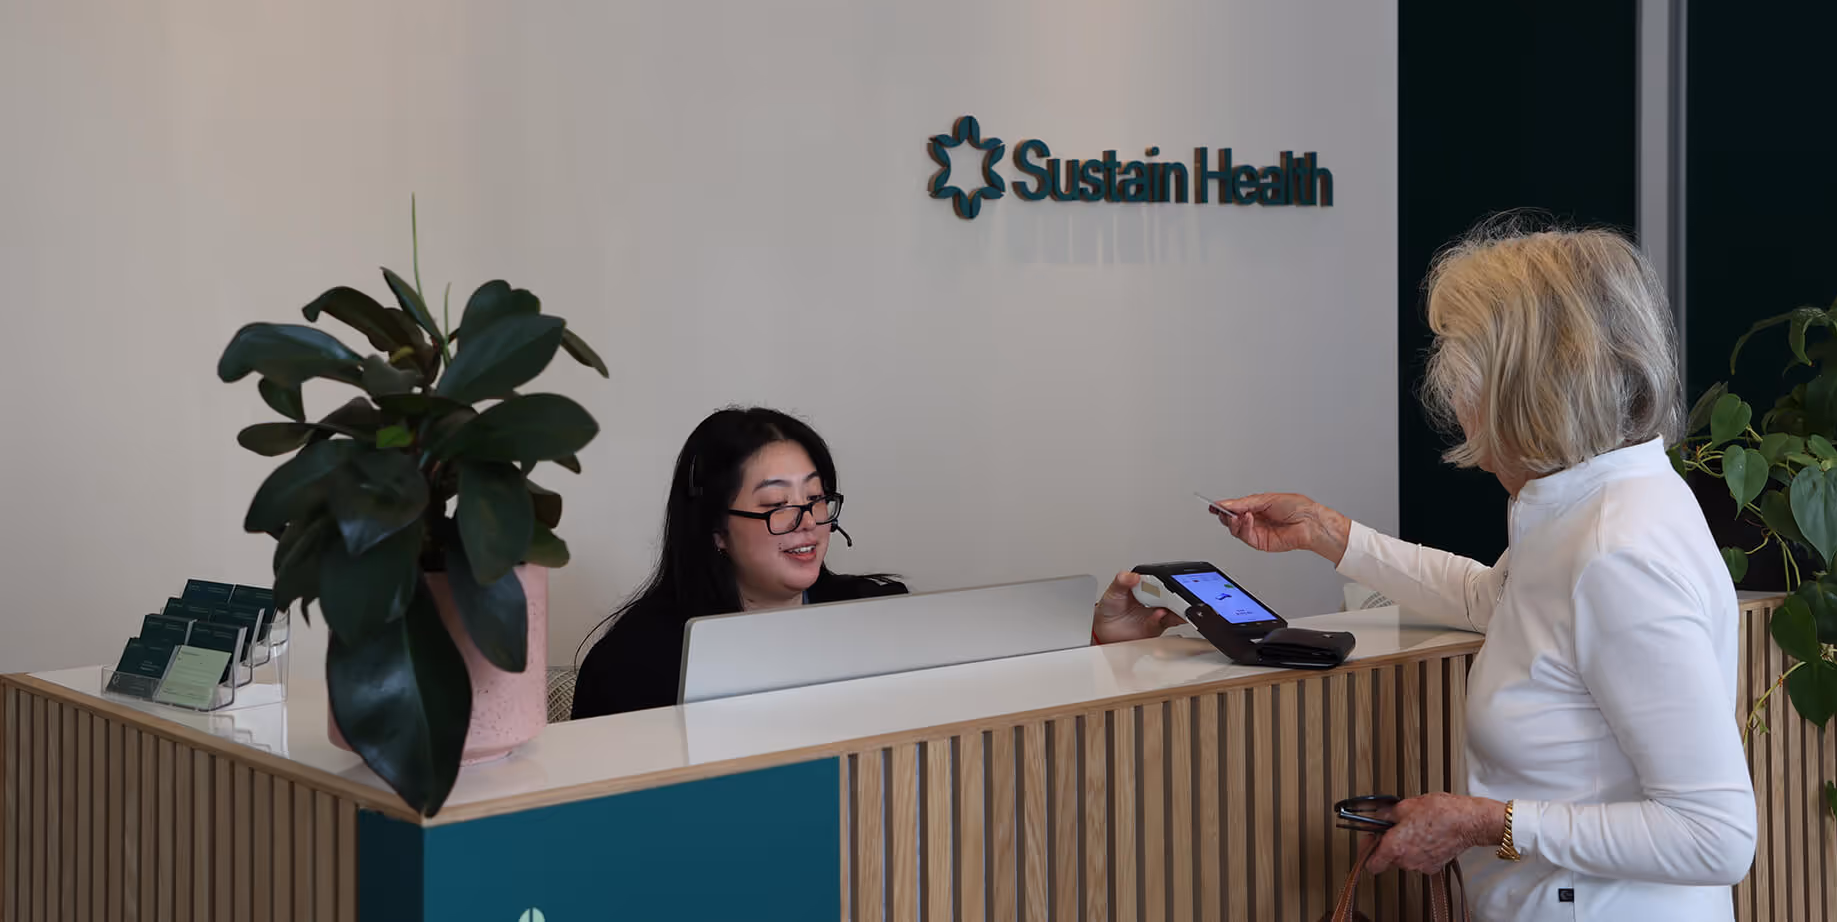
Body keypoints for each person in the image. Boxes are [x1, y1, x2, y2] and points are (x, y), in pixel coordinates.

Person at [1214, 222, 1756, 920]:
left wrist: (1483, 821)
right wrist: (1328, 533)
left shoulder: (1615, 551)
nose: (1455, 406)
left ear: (1517, 388)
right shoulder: (1598, 503)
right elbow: (1492, 598)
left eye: (1460, 372)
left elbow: (1715, 835)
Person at [572, 406, 1178, 719]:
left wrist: (1098, 641)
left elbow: (986, 699)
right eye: (777, 506)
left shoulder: (875, 611)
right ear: (715, 532)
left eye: (816, 499)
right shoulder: (636, 659)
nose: (808, 522)